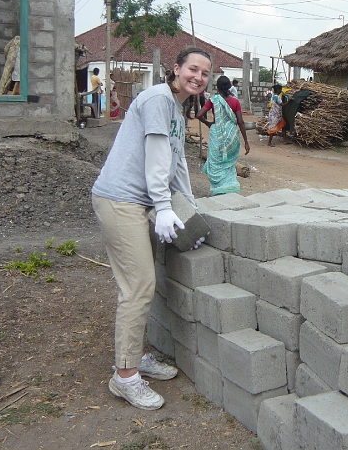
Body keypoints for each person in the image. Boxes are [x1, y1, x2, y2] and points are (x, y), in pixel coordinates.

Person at [91, 47, 212, 410]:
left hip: (141, 203)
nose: (199, 77)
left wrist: (188, 205)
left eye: (205, 73)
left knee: (142, 283)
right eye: (193, 69)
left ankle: (134, 355)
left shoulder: (175, 107)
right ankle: (124, 377)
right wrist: (162, 206)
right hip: (121, 201)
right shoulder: (158, 99)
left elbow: (177, 165)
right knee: (139, 285)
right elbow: (158, 155)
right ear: (175, 69)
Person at [195, 75, 250, 195]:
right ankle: (229, 187)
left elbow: (199, 115)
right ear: (229, 86)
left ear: (217, 88)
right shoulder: (235, 101)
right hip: (232, 137)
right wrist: (246, 141)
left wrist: (208, 124)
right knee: (228, 163)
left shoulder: (213, 100)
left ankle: (219, 187)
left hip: (217, 135)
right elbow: (240, 122)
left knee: (217, 162)